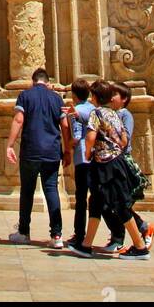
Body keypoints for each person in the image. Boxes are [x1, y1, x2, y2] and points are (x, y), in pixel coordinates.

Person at [73, 80, 148, 260]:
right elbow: (123, 139)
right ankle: (86, 245)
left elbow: (90, 137)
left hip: (104, 164)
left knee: (120, 205)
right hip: (116, 161)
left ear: (96, 97)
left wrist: (89, 152)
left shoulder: (96, 114)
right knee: (96, 202)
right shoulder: (114, 114)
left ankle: (140, 247)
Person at [5, 67, 71, 248]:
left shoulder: (25, 96)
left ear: (32, 82)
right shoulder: (57, 99)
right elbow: (65, 125)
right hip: (52, 151)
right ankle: (57, 235)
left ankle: (24, 232)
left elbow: (18, 120)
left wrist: (10, 145)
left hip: (31, 151)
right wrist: (68, 150)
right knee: (51, 189)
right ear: (47, 82)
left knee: (27, 191)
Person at [107, 82, 154, 252]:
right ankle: (121, 236)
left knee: (118, 201)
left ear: (124, 99)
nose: (111, 97)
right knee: (113, 201)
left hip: (121, 162)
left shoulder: (125, 114)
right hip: (113, 160)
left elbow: (125, 139)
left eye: (115, 94)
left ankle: (141, 229)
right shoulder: (111, 113)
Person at [64, 79, 94, 251]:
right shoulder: (93, 109)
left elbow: (76, 136)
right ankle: (117, 233)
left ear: (74, 94)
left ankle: (80, 235)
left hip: (82, 157)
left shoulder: (75, 111)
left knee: (81, 198)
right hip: (95, 158)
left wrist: (67, 149)